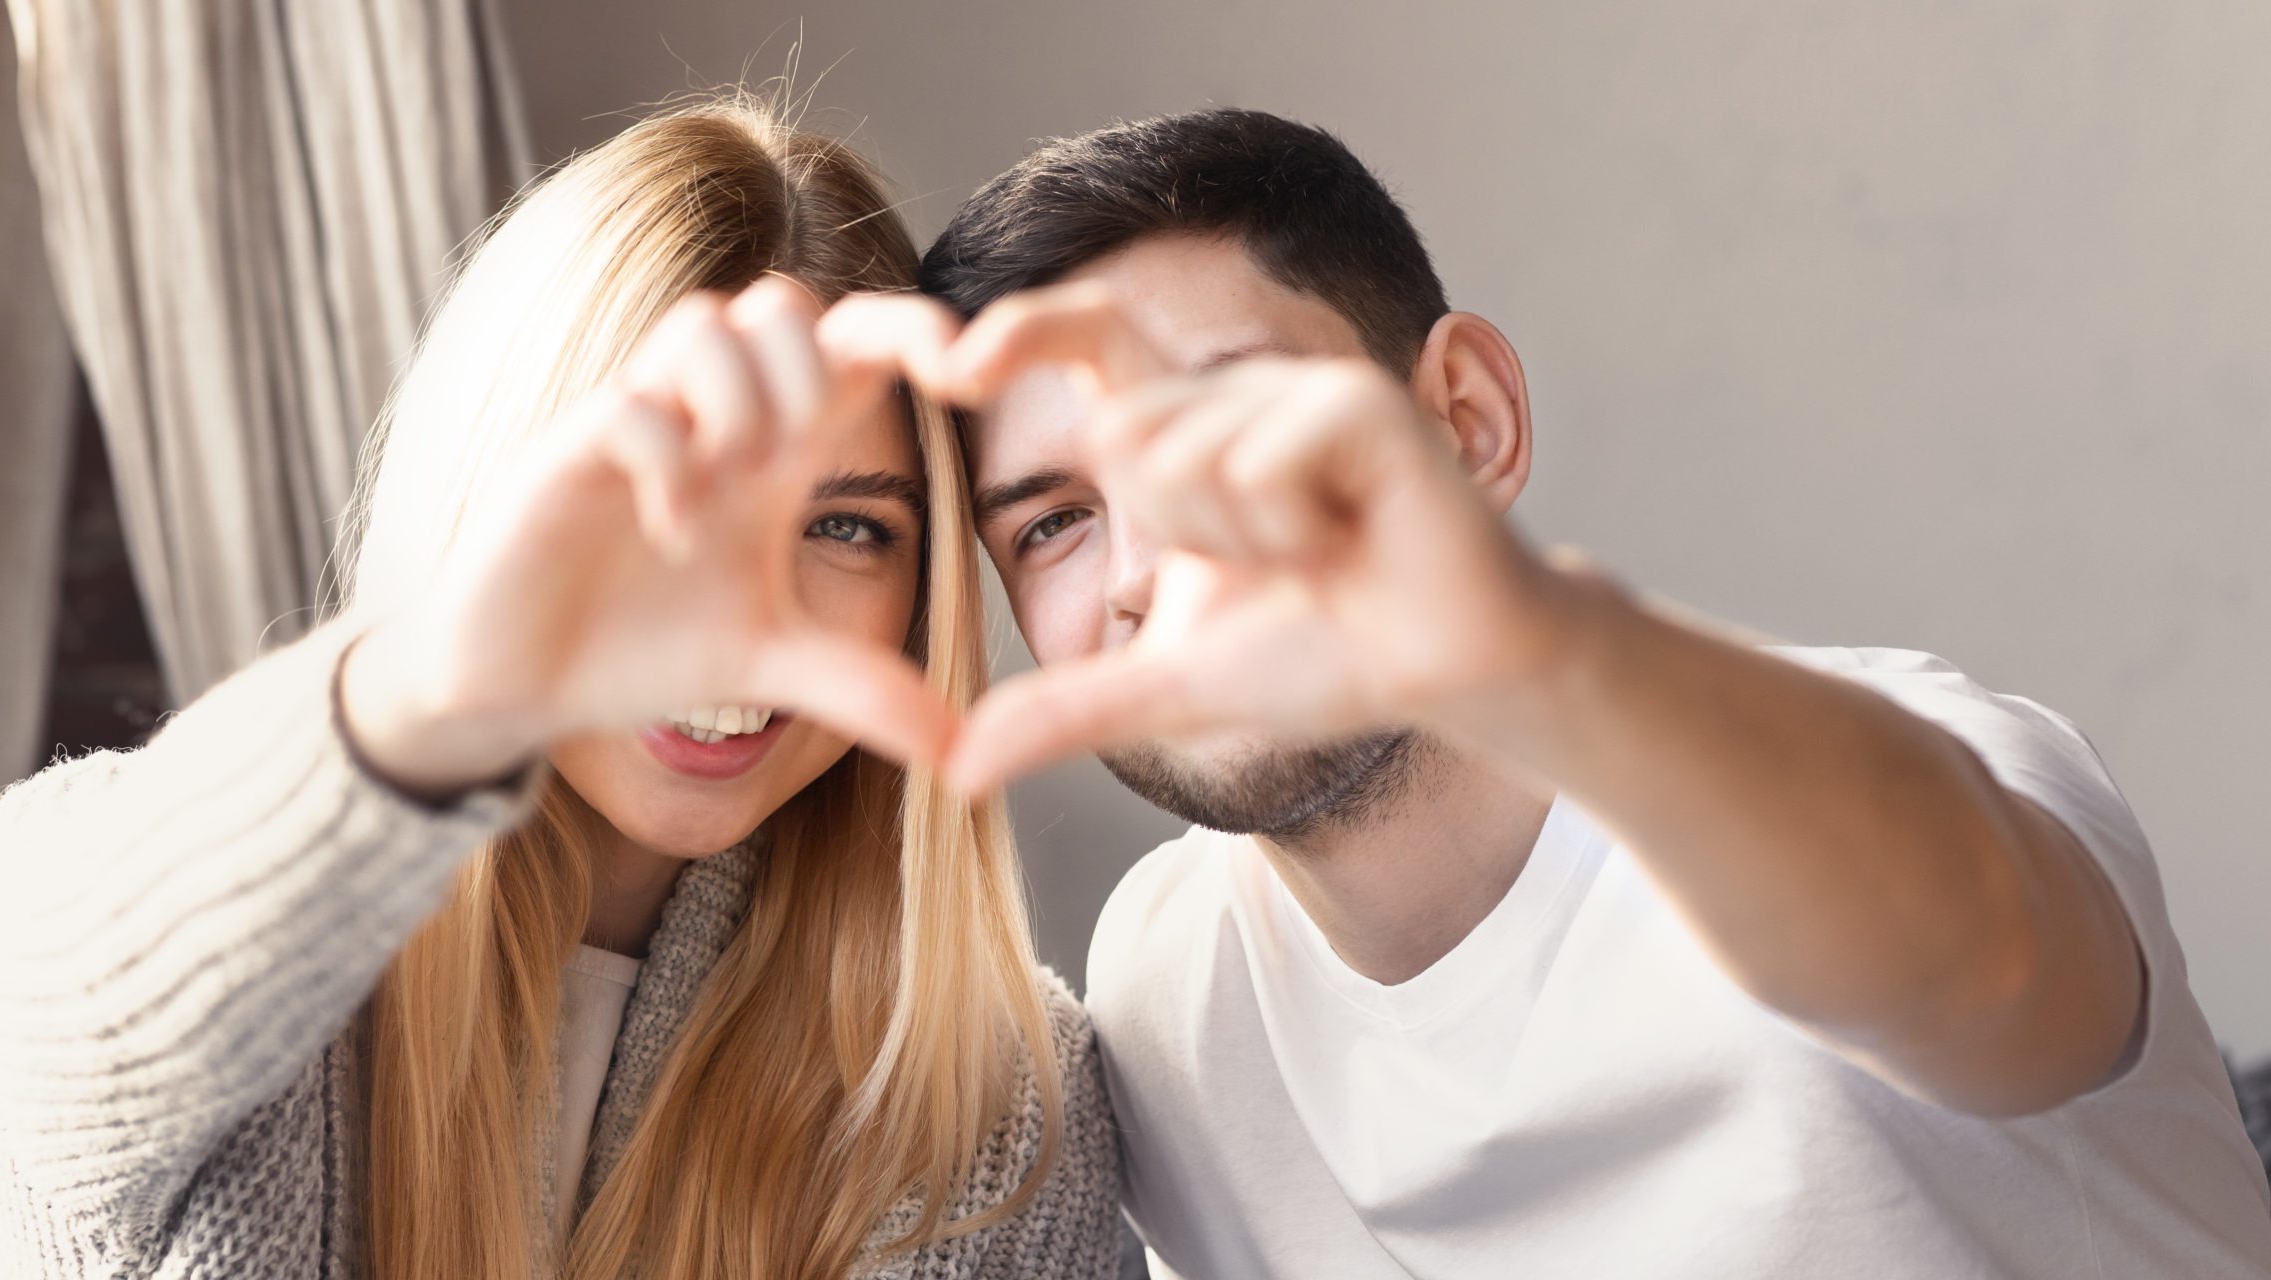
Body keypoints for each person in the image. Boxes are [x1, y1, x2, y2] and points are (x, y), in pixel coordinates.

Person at [915, 108, 2271, 1277]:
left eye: (1224, 440)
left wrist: (1531, 642)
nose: (1155, 563)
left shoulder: (1920, 763)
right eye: (1054, 521)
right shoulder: (1165, 987)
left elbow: (1991, 961)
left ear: (1468, 420)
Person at [0, 97, 1120, 1280]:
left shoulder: (1002, 1108)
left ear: (923, 603)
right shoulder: (122, 916)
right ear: (499, 502)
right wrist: (439, 691)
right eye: (665, 497)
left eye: (848, 525)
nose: (740, 614)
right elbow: (62, 975)